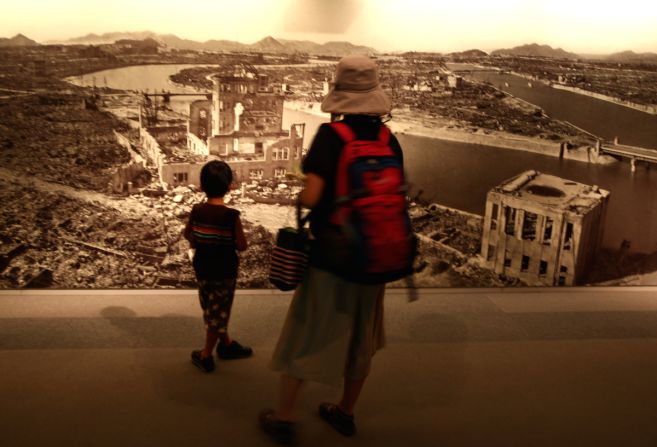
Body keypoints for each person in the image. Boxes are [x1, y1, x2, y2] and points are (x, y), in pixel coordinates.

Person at [259, 55, 406, 444]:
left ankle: (285, 416)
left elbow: (312, 198)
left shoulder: (331, 137)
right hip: (377, 255)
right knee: (360, 338)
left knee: (308, 333)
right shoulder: (388, 139)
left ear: (339, 94)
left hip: (333, 258)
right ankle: (345, 412)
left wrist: (303, 187)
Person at [184, 160, 252, 373]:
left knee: (211, 308)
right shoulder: (231, 216)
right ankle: (206, 355)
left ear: (202, 186)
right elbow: (241, 246)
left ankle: (227, 344)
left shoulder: (196, 210)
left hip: (203, 269)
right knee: (218, 312)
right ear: (229, 186)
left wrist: (202, 238)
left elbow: (188, 234)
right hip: (225, 272)